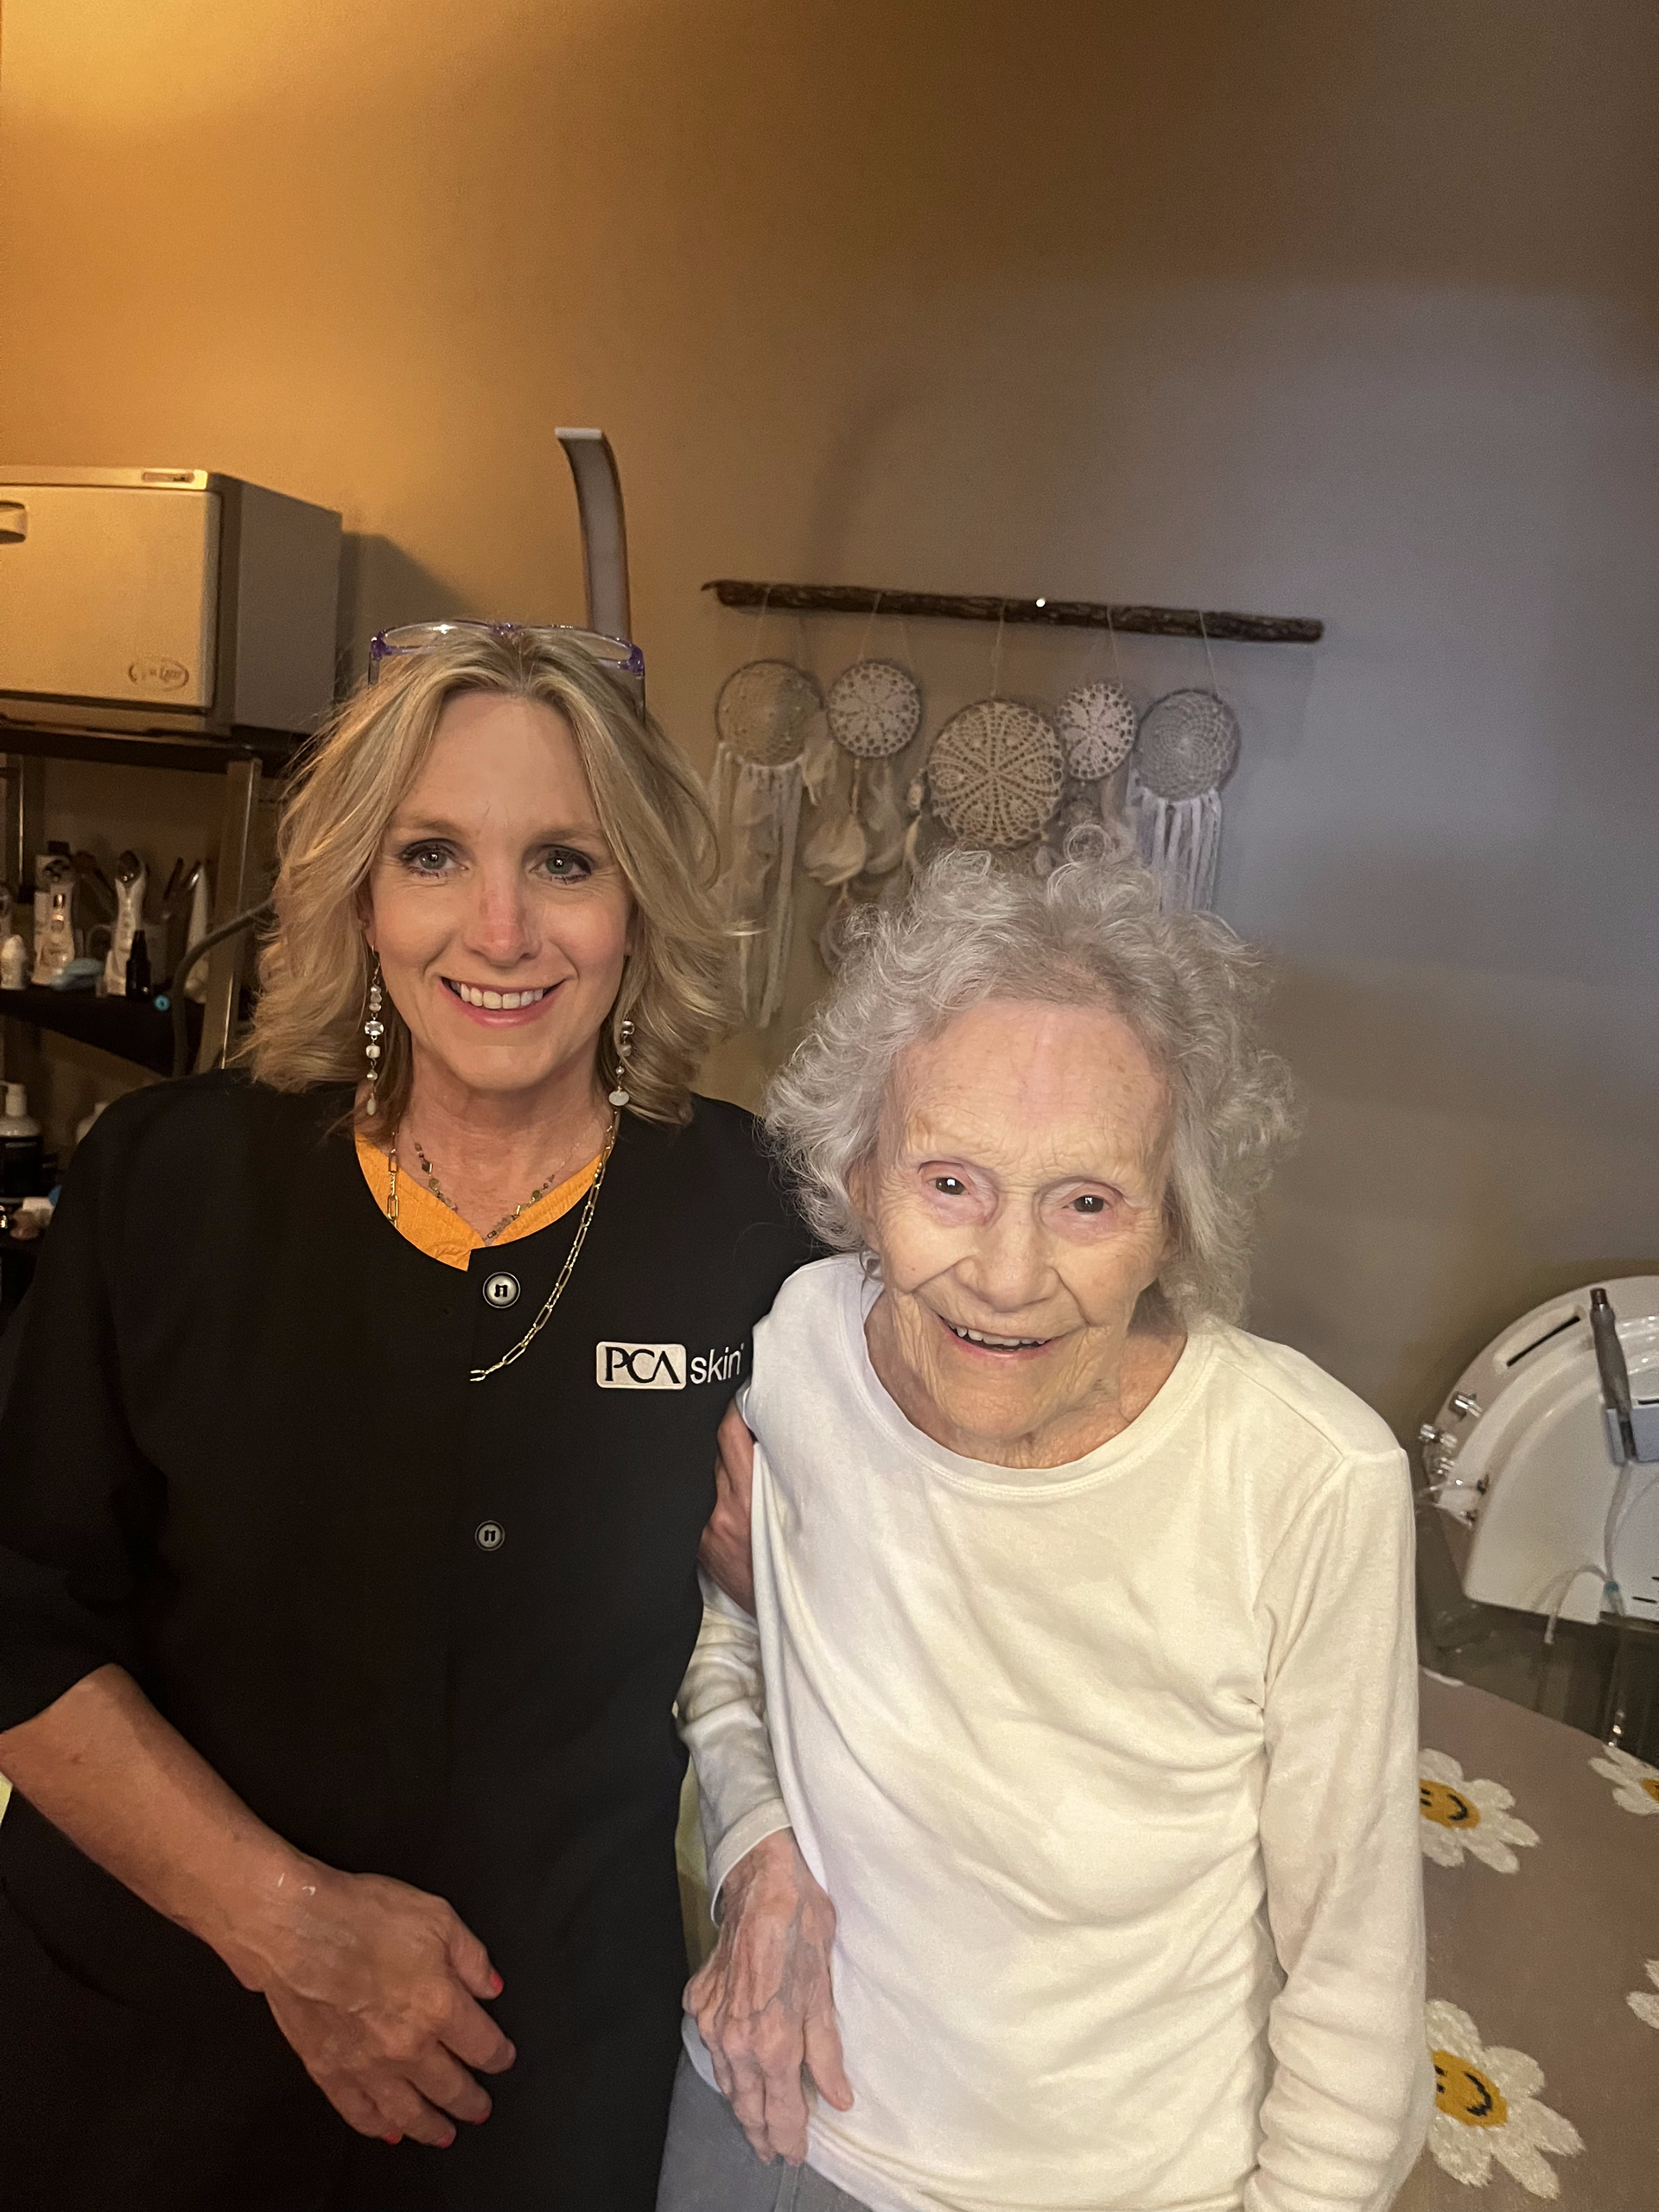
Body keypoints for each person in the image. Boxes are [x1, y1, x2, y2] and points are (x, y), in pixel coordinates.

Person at [0, 623, 816, 2211]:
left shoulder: (759, 1230)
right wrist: (288, 1926)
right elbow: (18, 1622)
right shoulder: (171, 1184)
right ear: (359, 898)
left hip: (543, 2086)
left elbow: (867, 1625)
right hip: (152, 2062)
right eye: (433, 854)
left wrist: (772, 1583)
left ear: (639, 899)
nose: (499, 929)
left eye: (565, 860)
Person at [663, 853, 1433, 2212]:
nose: (1008, 1278)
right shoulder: (801, 1352)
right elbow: (727, 1644)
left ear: (1172, 1227)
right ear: (862, 1179)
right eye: (949, 1182)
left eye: (1086, 1200)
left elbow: (1356, 1986)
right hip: (773, 2127)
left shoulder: (1309, 1481)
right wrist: (755, 1849)